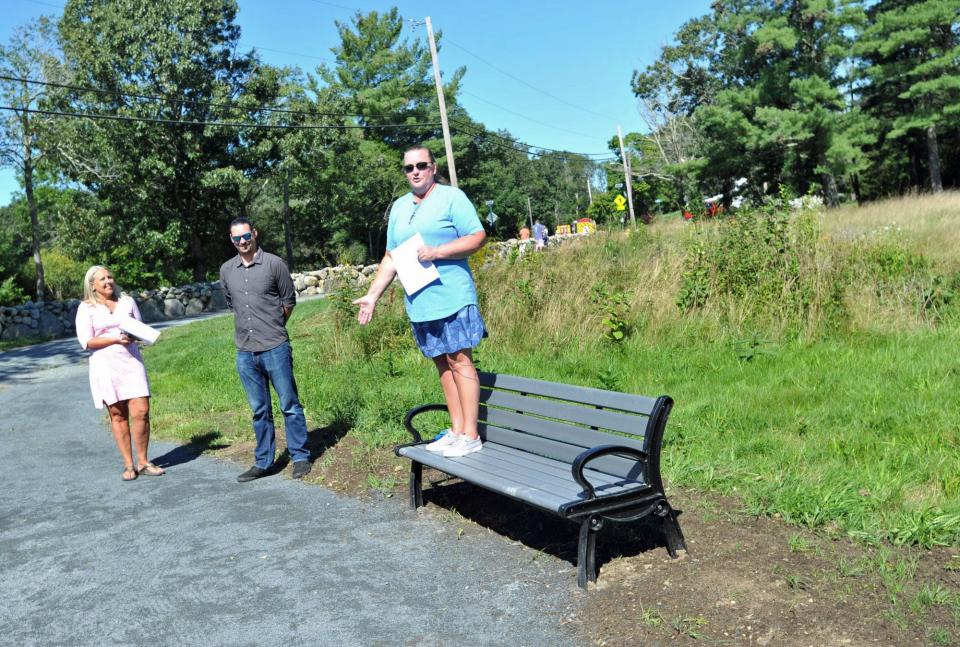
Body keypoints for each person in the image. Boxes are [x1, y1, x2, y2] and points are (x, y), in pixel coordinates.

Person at [354, 145, 488, 458]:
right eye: (409, 167)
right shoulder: (400, 207)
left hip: (453, 296)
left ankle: (471, 434)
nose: (415, 171)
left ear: (433, 167)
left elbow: (477, 236)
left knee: (460, 360)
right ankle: (456, 430)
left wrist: (438, 252)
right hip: (420, 301)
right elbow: (391, 256)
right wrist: (372, 297)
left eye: (421, 165)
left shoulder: (452, 197)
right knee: (442, 363)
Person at [219, 218, 312, 482]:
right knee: (259, 409)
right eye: (237, 239)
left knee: (289, 404)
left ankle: (300, 457)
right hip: (245, 352)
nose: (242, 242)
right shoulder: (227, 270)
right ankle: (263, 462)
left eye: (246, 236)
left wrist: (272, 326)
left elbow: (288, 302)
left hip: (275, 347)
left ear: (255, 234)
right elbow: (232, 304)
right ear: (231, 240)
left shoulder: (274, 264)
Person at [75, 265, 164, 481]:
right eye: (102, 279)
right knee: (118, 414)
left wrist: (135, 336)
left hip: (131, 362)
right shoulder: (86, 308)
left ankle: (143, 461)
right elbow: (86, 342)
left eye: (110, 276)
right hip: (105, 366)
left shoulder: (127, 301)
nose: (108, 281)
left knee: (141, 411)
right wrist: (115, 339)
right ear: (92, 285)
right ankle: (129, 464)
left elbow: (139, 328)